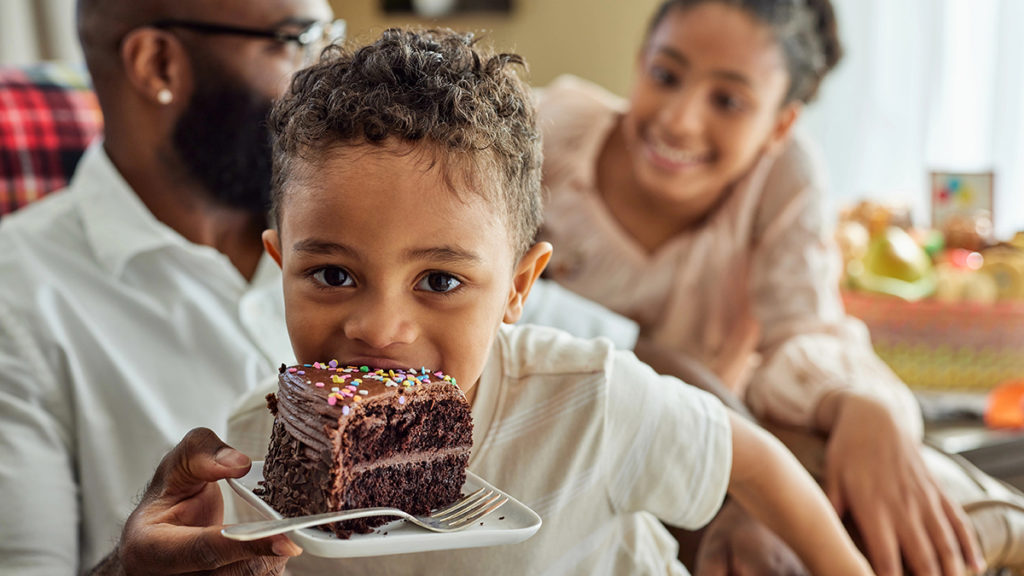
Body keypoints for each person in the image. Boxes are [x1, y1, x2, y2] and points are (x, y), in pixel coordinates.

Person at [222, 27, 875, 575]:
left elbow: (756, 463)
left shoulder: (590, 398)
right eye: (334, 276)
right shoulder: (259, 441)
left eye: (440, 282)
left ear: (518, 288)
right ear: (280, 266)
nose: (379, 329)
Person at [532, 0, 1020, 574]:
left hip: (723, 442)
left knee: (876, 479)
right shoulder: (549, 134)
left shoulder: (782, 178)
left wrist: (858, 405)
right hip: (565, 438)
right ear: (641, 60)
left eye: (728, 101)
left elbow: (802, 333)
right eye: (665, 75)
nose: (680, 119)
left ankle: (989, 530)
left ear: (780, 124)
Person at [0, 0, 339, 572]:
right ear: (158, 64)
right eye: (294, 40)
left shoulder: (351, 228)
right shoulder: (17, 299)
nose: (321, 83)